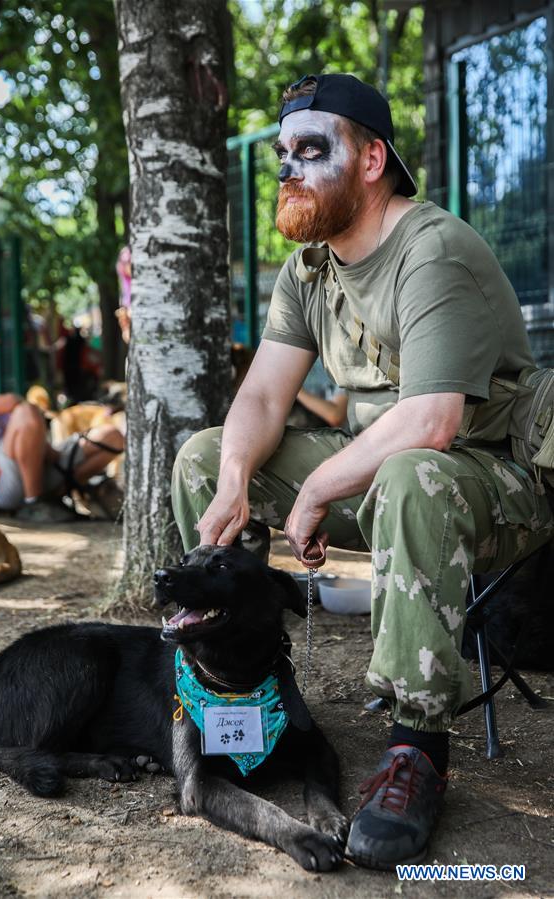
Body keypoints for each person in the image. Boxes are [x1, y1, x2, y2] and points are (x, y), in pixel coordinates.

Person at [170, 73, 554, 870]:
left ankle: (416, 751)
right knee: (205, 456)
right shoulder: (308, 270)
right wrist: (238, 472)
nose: (288, 169)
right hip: (383, 477)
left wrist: (312, 490)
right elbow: (262, 397)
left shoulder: (432, 249)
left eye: (311, 150)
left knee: (411, 471)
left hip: (490, 477)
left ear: (372, 158)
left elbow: (433, 421)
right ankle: (232, 694)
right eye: (282, 154)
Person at [0, 325, 124, 523]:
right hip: (0, 484)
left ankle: (57, 494)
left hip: (35, 469)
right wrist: (22, 407)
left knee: (112, 437)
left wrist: (48, 450)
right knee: (26, 411)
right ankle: (35, 503)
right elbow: (12, 403)